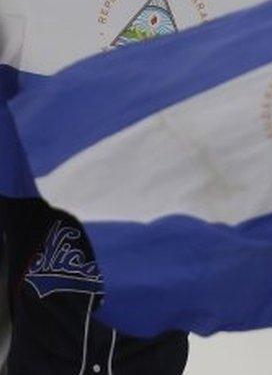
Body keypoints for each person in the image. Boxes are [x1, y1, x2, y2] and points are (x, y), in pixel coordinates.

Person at [0, 30, 188, 374]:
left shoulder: (35, 192)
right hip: (173, 100)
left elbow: (11, 130)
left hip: (62, 78)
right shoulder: (187, 210)